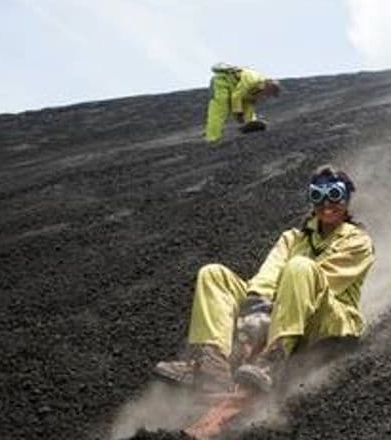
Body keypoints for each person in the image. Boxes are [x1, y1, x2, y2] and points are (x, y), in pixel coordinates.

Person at [153, 166, 375, 393]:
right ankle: (212, 366)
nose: (327, 203)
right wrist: (256, 303)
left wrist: (270, 314)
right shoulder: (292, 238)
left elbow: (323, 282)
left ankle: (272, 362)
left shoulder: (358, 241)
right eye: (318, 195)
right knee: (213, 274)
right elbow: (270, 272)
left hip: (328, 324)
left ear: (346, 199)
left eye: (335, 194)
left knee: (299, 267)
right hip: (280, 314)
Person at [204, 63, 281, 144]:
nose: (266, 96)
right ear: (267, 86)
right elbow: (236, 96)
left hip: (237, 87)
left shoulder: (260, 87)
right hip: (223, 82)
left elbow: (248, 102)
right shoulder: (252, 79)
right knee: (220, 108)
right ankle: (212, 138)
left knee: (248, 104)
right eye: (268, 93)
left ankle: (250, 124)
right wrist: (238, 113)